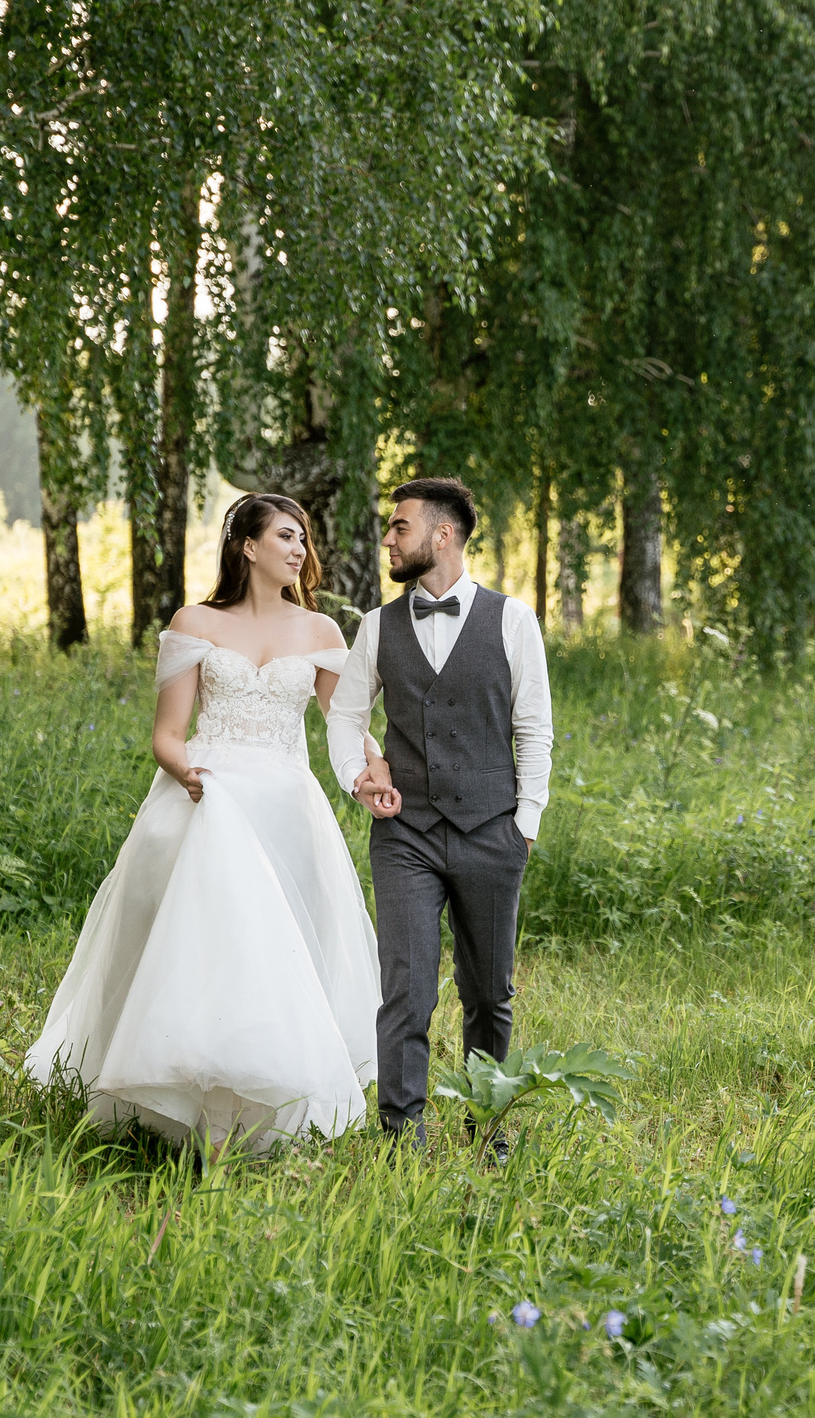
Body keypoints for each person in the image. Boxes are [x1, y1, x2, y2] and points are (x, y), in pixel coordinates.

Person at [25, 493, 382, 1149]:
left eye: (304, 538)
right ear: (247, 546)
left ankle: (263, 1102)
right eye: (285, 536)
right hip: (207, 794)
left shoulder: (322, 633)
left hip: (284, 803)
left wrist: (374, 772)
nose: (300, 548)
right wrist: (186, 771)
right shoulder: (196, 621)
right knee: (195, 944)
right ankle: (166, 1097)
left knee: (278, 952)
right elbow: (167, 733)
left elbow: (347, 728)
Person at [324, 477, 553, 1151]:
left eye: (400, 526)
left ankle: (490, 1131)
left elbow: (534, 727)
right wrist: (357, 782)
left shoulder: (513, 620)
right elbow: (345, 717)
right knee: (407, 989)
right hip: (405, 836)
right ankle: (402, 1137)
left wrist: (526, 822)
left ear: (442, 534)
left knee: (489, 993)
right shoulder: (376, 627)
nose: (389, 539)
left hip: (493, 830)